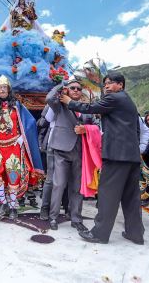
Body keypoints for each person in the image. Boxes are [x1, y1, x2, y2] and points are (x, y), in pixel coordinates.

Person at [60, 73, 144, 244]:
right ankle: (135, 233)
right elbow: (136, 130)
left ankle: (100, 233)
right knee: (131, 197)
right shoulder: (128, 101)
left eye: (110, 83)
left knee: (107, 195)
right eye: (105, 83)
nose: (106, 86)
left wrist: (69, 102)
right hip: (131, 156)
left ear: (120, 84)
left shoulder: (115, 98)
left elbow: (90, 108)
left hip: (116, 156)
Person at [0, 75, 44, 219]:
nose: (2, 90)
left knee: (14, 177)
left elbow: (30, 123)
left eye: (4, 87)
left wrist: (22, 136)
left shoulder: (17, 106)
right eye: (0, 87)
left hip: (14, 147)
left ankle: (13, 206)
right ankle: (3, 202)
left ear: (9, 89)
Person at [45, 79, 93, 233]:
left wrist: (86, 129)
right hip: (61, 151)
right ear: (67, 89)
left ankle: (76, 219)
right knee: (58, 185)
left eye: (79, 88)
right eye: (73, 88)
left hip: (80, 152)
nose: (76, 90)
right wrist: (62, 85)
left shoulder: (86, 108)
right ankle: (53, 217)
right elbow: (48, 98)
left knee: (77, 188)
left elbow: (94, 125)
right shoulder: (59, 104)